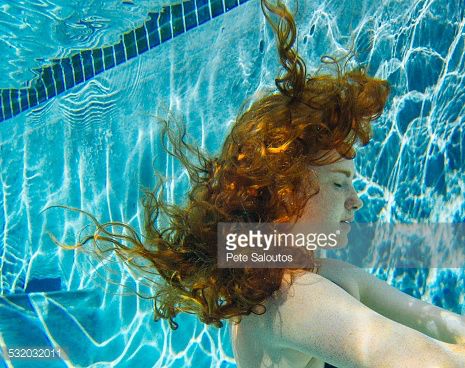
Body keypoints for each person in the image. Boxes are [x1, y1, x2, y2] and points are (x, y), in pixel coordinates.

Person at [53, 0, 465, 366]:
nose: (356, 202)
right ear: (284, 192)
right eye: (340, 184)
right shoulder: (292, 297)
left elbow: (444, 329)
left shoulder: (319, 274)